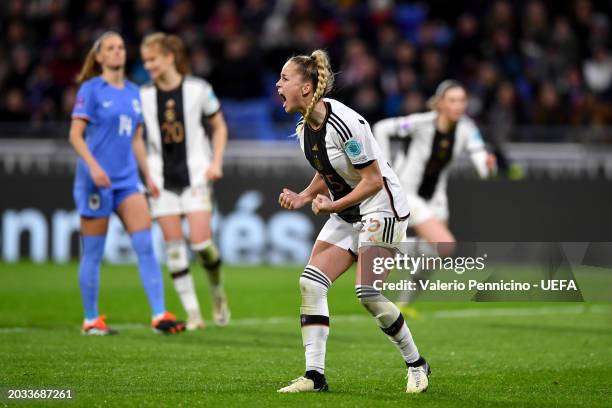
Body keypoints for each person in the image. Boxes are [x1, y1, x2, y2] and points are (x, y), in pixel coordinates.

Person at [276, 49, 430, 394]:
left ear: (306, 87)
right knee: (311, 284)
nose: (277, 84)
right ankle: (314, 377)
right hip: (349, 210)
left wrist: (333, 206)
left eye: (285, 78)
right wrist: (304, 195)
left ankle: (417, 364)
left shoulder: (345, 123)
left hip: (381, 207)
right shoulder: (305, 127)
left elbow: (373, 180)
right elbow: (326, 169)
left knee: (368, 293)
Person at [69, 31, 186, 335]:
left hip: (126, 181)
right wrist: (93, 167)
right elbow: (75, 136)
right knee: (93, 252)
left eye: (121, 46)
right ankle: (91, 319)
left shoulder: (135, 92)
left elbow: (136, 139)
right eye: (111, 48)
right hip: (95, 181)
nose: (118, 52)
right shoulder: (91, 90)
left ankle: (160, 315)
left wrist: (148, 175)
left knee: (146, 246)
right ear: (100, 56)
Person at [373, 80, 496, 307]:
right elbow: (382, 128)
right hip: (406, 191)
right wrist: (383, 166)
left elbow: (482, 162)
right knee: (445, 244)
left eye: (462, 100)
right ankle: (378, 246)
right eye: (452, 100)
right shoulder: (421, 123)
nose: (458, 105)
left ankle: (403, 306)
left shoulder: (467, 128)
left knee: (434, 255)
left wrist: (488, 166)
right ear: (440, 103)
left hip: (436, 197)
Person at [139, 33, 230, 330]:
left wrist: (216, 162)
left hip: (196, 174)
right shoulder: (142, 95)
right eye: (145, 61)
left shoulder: (198, 89)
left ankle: (217, 292)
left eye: (152, 59)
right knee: (175, 249)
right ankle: (193, 313)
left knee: (202, 243)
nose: (148, 65)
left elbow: (219, 127)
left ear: (169, 57)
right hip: (160, 180)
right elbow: (136, 140)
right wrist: (145, 173)